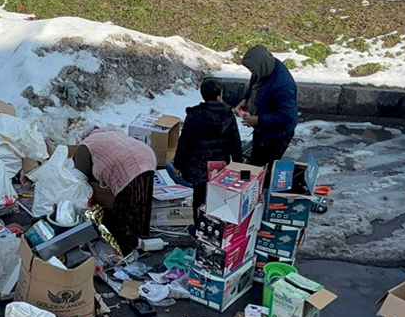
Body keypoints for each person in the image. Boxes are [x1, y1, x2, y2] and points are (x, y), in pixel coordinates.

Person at [74, 127, 157, 256]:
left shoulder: (86, 145)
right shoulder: (110, 134)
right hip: (147, 155)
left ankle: (126, 248)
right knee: (141, 197)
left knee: (125, 207)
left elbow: (83, 172)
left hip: (126, 164)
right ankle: (140, 232)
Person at [173, 77, 243, 222]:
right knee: (218, 200)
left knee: (199, 199)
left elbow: (184, 142)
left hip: (199, 168)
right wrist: (239, 169)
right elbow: (235, 145)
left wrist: (178, 165)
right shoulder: (228, 116)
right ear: (219, 95)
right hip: (220, 168)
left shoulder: (194, 115)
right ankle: (215, 229)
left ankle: (199, 227)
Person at [237, 45, 299, 168]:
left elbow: (287, 116)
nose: (252, 73)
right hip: (262, 129)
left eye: (252, 70)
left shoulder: (283, 86)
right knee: (255, 163)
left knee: (266, 167)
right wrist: (246, 99)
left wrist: (259, 120)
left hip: (277, 135)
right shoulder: (263, 68)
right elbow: (255, 83)